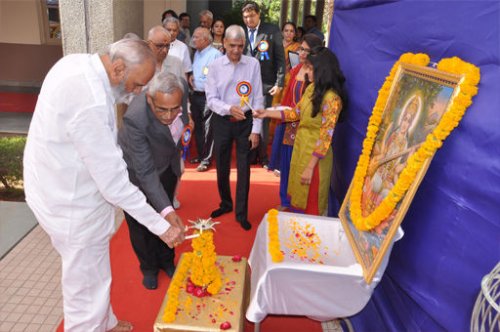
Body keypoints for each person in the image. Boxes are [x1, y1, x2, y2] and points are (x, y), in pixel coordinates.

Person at [23, 38, 185, 331]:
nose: (137, 93)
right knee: (83, 286)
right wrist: (162, 226)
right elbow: (115, 185)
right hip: (69, 201)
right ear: (118, 68)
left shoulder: (77, 63)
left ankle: (105, 323)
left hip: (59, 181)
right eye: (137, 85)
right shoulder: (91, 101)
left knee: (97, 272)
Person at [254, 47, 347, 215]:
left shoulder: (332, 99)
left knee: (312, 206)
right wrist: (267, 112)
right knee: (298, 200)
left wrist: (310, 168)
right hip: (301, 150)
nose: (307, 72)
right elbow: (295, 113)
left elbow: (325, 138)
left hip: (316, 160)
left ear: (322, 71)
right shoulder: (312, 89)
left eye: (311, 69)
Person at [118, 72, 187, 290]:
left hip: (166, 165)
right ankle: (148, 268)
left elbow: (182, 118)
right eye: (162, 109)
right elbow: (145, 172)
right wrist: (167, 209)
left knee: (166, 220)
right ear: (150, 99)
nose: (169, 115)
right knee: (141, 224)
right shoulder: (135, 119)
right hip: (137, 175)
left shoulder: (180, 88)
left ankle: (167, 260)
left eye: (174, 108)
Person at [206, 25, 264, 230]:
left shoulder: (253, 64)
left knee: (244, 169)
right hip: (222, 121)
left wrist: (256, 129)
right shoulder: (214, 67)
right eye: (232, 46)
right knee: (221, 166)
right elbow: (211, 99)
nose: (236, 51)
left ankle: (241, 213)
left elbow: (257, 97)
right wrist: (228, 109)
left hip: (246, 123)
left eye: (240, 46)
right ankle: (226, 203)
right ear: (224, 43)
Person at [268, 34, 323, 211]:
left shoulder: (318, 75)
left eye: (307, 50)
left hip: (306, 128)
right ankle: (285, 201)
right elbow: (287, 97)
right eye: (301, 49)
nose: (302, 53)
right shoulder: (295, 70)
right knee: (286, 165)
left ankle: (298, 204)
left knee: (299, 167)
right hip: (289, 123)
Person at [242, 0, 285, 169]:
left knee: (263, 120)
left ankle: (264, 157)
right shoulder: (241, 32)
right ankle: (251, 154)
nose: (248, 20)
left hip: (266, 83)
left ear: (258, 14)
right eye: (245, 17)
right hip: (246, 85)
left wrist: (279, 82)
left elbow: (280, 59)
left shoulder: (271, 30)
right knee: (248, 119)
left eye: (251, 16)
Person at [188, 27, 223, 172]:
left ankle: (207, 159)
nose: (193, 40)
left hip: (208, 96)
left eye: (196, 37)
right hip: (195, 94)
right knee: (199, 128)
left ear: (206, 39)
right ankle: (202, 155)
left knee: (208, 128)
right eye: (194, 37)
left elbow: (220, 76)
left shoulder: (215, 54)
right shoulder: (197, 53)